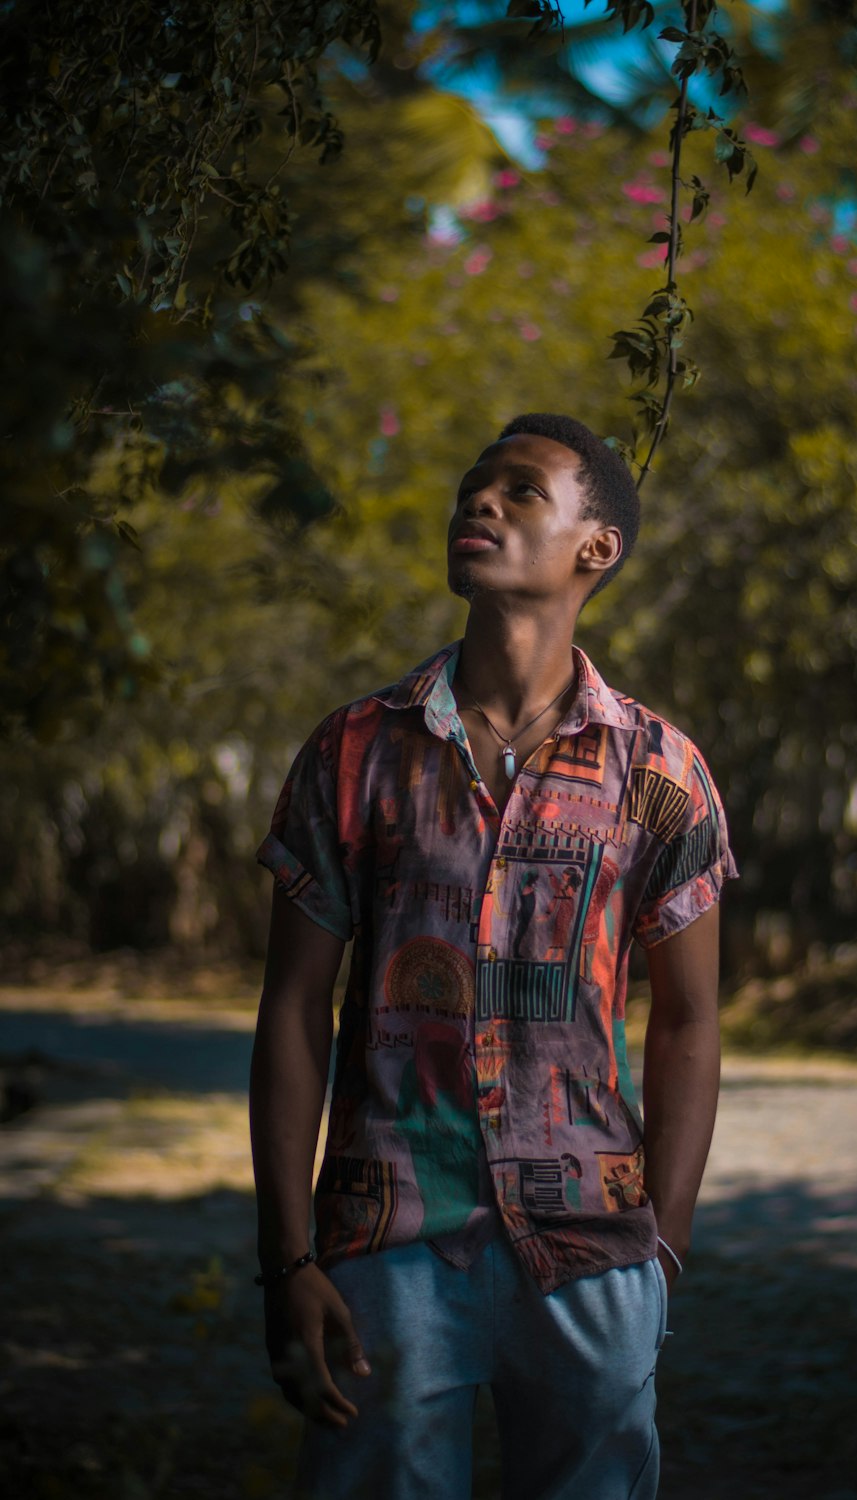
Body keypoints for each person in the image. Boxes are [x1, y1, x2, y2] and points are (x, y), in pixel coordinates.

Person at [249, 412, 738, 1500]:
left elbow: (692, 1019)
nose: (480, 501)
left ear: (594, 547)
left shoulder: (659, 772)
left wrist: (666, 1252)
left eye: (521, 490)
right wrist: (288, 1260)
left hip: (595, 1252)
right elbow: (291, 1009)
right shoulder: (354, 752)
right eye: (476, 485)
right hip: (388, 1241)